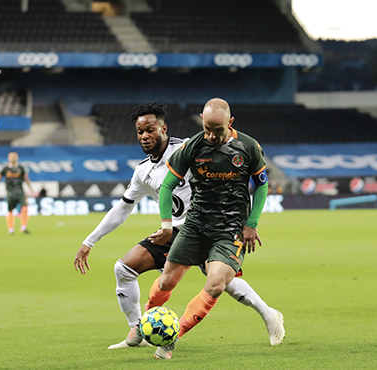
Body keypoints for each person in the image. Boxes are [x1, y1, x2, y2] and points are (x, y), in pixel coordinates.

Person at [73, 102, 284, 351]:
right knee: (124, 269)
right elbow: (123, 207)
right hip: (174, 231)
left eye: (150, 130)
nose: (145, 136)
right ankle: (138, 329)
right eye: (140, 132)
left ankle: (268, 314)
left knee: (220, 282)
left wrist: (247, 221)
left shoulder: (187, 147)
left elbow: (247, 179)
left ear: (164, 128)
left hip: (206, 225)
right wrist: (90, 241)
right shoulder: (143, 171)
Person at [144, 98, 276, 359]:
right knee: (167, 280)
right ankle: (141, 327)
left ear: (231, 122)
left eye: (217, 130)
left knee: (216, 283)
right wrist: (166, 224)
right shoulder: (192, 146)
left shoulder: (248, 147)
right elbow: (167, 185)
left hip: (230, 229)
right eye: (207, 129)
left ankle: (171, 338)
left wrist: (252, 223)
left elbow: (261, 185)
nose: (211, 136)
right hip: (196, 224)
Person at [0, 151, 35, 234]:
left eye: (14, 157)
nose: (12, 158)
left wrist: (30, 188)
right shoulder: (5, 169)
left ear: (17, 158)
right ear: (8, 158)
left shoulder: (21, 168)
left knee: (25, 208)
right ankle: (11, 229)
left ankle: (23, 227)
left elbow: (26, 178)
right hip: (10, 193)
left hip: (20, 192)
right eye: (11, 157)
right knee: (10, 210)